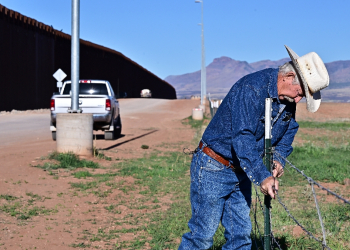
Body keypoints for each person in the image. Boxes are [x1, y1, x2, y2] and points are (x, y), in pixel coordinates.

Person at [178, 45, 330, 250]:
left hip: (241, 171)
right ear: (289, 76)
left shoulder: (287, 99)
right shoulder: (251, 89)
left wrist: (279, 159)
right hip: (213, 166)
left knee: (240, 238)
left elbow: (289, 130)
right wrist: (263, 176)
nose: (298, 99)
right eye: (300, 92)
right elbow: (243, 137)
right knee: (202, 236)